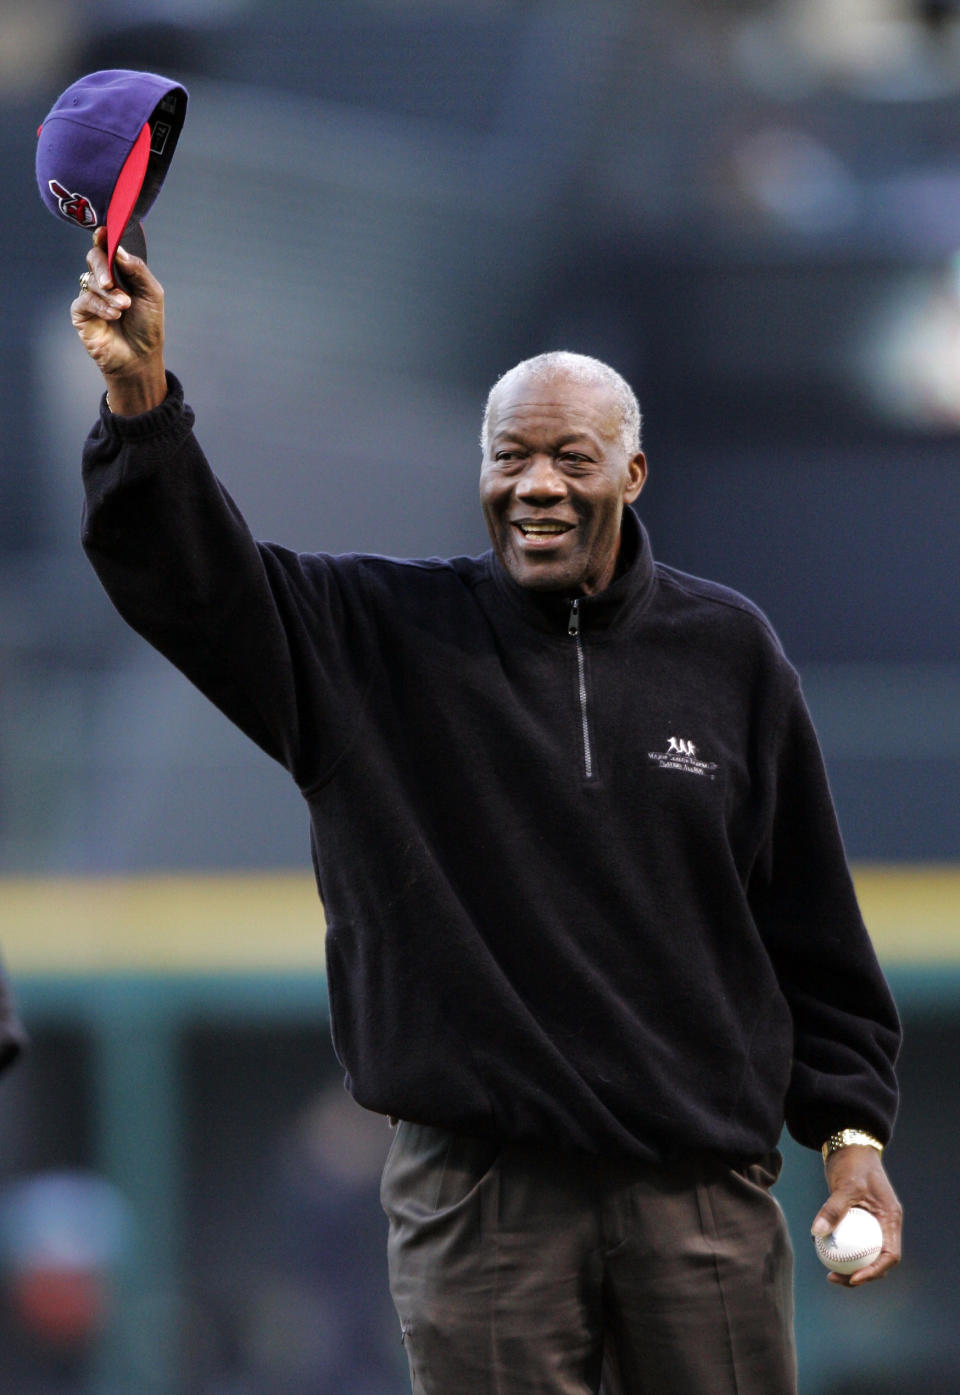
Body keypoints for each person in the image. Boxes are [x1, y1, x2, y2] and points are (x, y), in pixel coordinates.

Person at [71, 227, 902, 1395]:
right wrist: (141, 399)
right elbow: (190, 579)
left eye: (572, 457)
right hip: (484, 1200)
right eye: (511, 456)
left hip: (700, 1194)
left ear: (633, 473)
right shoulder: (373, 638)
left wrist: (853, 1139)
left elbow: (811, 927)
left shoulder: (729, 654)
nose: (538, 486)